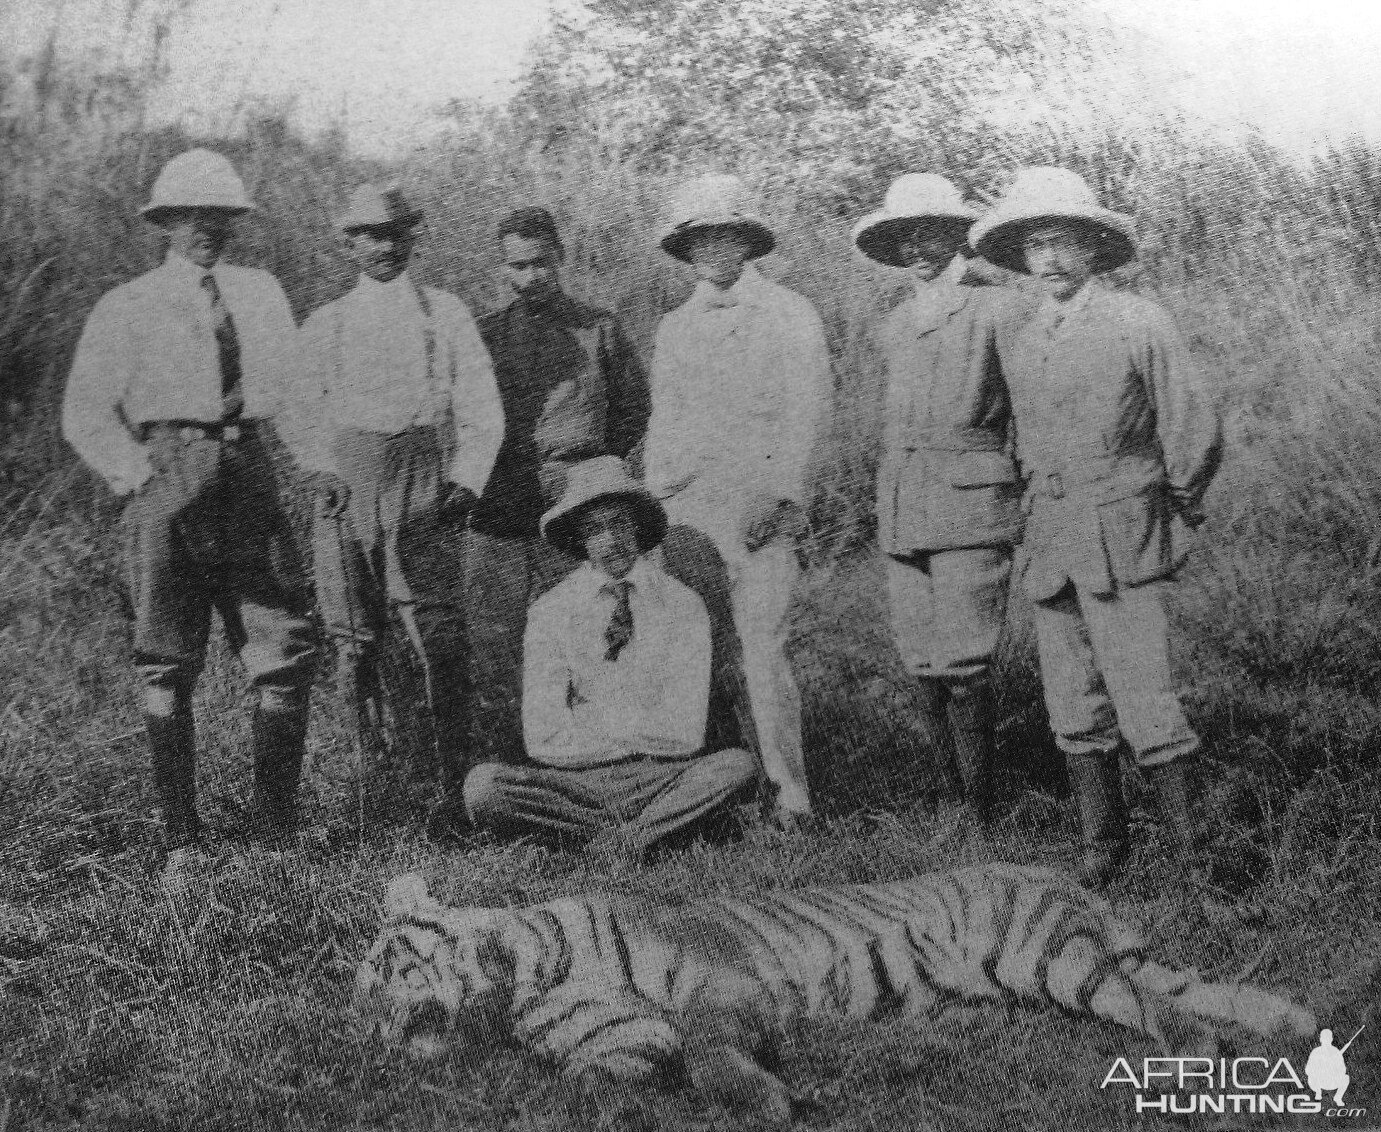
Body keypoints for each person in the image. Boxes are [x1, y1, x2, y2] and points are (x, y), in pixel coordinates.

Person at [62, 149, 317, 878]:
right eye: (189, 216)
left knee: (281, 647)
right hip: (167, 474)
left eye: (219, 216)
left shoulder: (261, 293)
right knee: (167, 657)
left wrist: (315, 464)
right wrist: (139, 474)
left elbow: (292, 394)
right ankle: (182, 839)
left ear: (233, 221)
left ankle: (275, 833)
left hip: (248, 473)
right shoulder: (129, 304)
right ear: (165, 223)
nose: (205, 228)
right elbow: (85, 413)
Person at [970, 166, 1223, 886]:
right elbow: (1019, 438)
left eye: (1063, 242)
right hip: (1050, 539)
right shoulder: (1019, 334)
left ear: (1092, 247)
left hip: (1123, 532)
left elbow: (1190, 429)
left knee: (1145, 695)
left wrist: (1170, 505)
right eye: (1034, 245)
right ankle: (1102, 848)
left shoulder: (1137, 320)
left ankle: (1196, 862)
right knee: (1072, 699)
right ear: (1018, 256)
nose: (1048, 259)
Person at [292, 184, 503, 792]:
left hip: (423, 474)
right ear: (351, 243)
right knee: (354, 634)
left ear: (413, 237)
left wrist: (465, 482)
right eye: (368, 235)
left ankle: (446, 778)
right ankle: (372, 779)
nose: (382, 246)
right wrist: (318, 467)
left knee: (435, 630)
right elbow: (297, 407)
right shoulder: (328, 322)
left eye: (393, 233)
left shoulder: (444, 311)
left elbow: (481, 405)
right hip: (349, 483)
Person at [644, 174, 830, 830]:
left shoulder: (788, 313)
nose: (714, 250)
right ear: (686, 248)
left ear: (747, 242)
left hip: (758, 507)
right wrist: (658, 512)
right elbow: (664, 423)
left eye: (726, 236)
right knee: (699, 649)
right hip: (689, 510)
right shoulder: (674, 327)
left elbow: (807, 413)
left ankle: (789, 795)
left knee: (761, 647)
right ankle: (722, 797)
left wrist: (778, 494)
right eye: (700, 238)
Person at [461, 456, 757, 858]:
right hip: (577, 781)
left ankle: (602, 841)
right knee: (484, 787)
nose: (611, 540)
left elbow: (685, 733)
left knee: (736, 767)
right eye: (595, 529)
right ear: (579, 541)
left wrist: (595, 724)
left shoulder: (682, 604)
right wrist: (630, 732)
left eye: (619, 523)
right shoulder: (551, 611)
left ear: (638, 527)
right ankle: (644, 835)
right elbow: (542, 735)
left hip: (660, 775)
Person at [853, 174, 1033, 824]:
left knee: (965, 663)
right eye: (903, 237)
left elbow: (1029, 413)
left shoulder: (1000, 309)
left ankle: (979, 810)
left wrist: (1030, 496)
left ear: (958, 233)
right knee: (920, 660)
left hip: (970, 503)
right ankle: (948, 800)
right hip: (903, 505)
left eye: (928, 231)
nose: (915, 248)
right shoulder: (894, 323)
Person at [468, 207, 651, 765]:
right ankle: (510, 771)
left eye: (541, 263)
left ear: (560, 259)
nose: (531, 277)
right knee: (498, 644)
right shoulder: (485, 334)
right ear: (502, 269)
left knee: (585, 631)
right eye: (517, 266)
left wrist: (588, 470)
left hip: (575, 508)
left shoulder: (600, 328)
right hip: (501, 509)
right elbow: (470, 419)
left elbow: (633, 410)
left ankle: (592, 762)